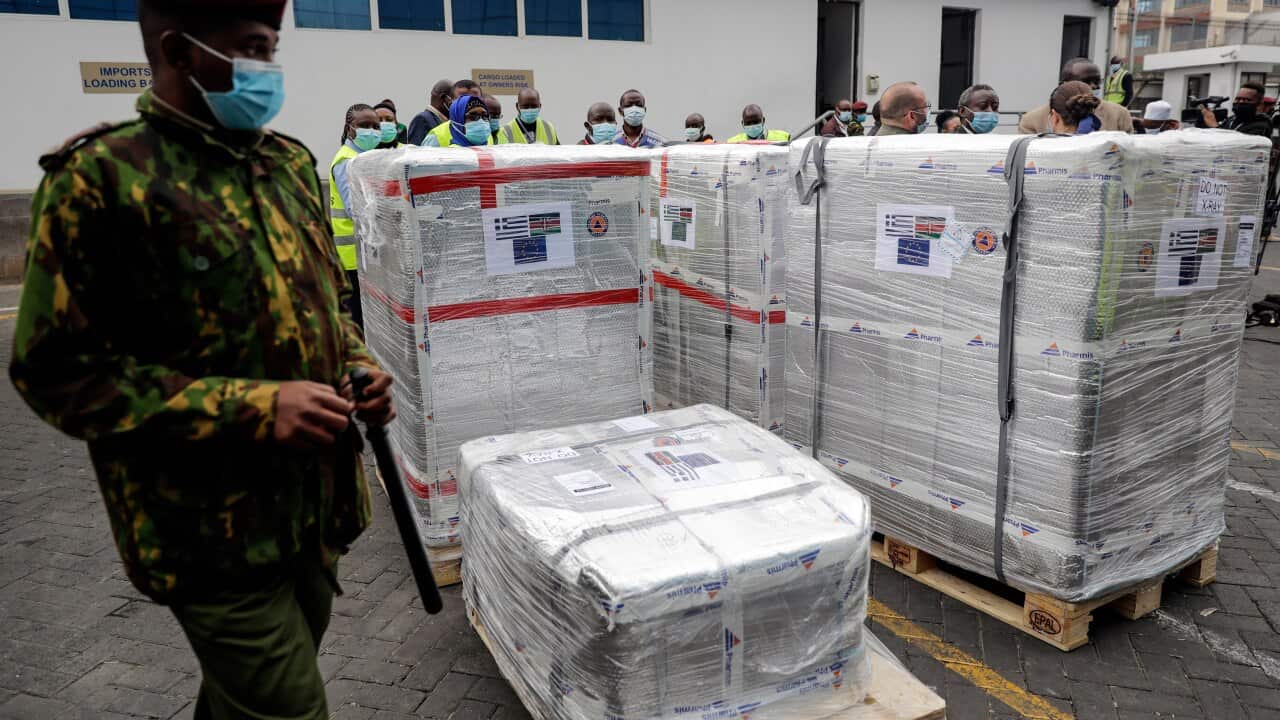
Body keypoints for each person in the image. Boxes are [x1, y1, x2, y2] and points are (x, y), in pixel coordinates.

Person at [9, 1, 395, 718]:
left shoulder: (286, 164)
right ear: (178, 51)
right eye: (251, 49)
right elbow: (56, 371)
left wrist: (360, 365)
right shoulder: (103, 180)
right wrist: (255, 407)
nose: (267, 70)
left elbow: (322, 305)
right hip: (211, 532)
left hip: (315, 511)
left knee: (245, 699)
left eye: (271, 50)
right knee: (289, 708)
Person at [329, 102, 381, 330]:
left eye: (375, 125)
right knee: (358, 324)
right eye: (364, 125)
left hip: (368, 254)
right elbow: (354, 209)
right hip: (352, 257)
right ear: (350, 128)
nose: (371, 130)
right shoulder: (346, 161)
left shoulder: (368, 158)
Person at [1020, 58, 1133, 134]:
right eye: (1085, 81)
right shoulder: (1032, 120)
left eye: (1097, 81)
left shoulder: (1119, 114)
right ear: (1064, 84)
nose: (1094, 86)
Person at [1202, 82, 1271, 137]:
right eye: (1237, 99)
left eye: (1246, 100)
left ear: (1259, 104)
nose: (1240, 102)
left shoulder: (1261, 125)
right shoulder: (1231, 119)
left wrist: (1215, 126)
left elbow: (1238, 146)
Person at [423, 94, 494, 147]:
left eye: (485, 115)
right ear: (458, 118)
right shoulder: (436, 138)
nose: (480, 121)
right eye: (473, 116)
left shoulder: (487, 135)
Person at [406, 78, 452, 145]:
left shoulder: (445, 120)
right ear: (443, 98)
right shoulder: (422, 120)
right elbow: (416, 152)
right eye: (454, 98)